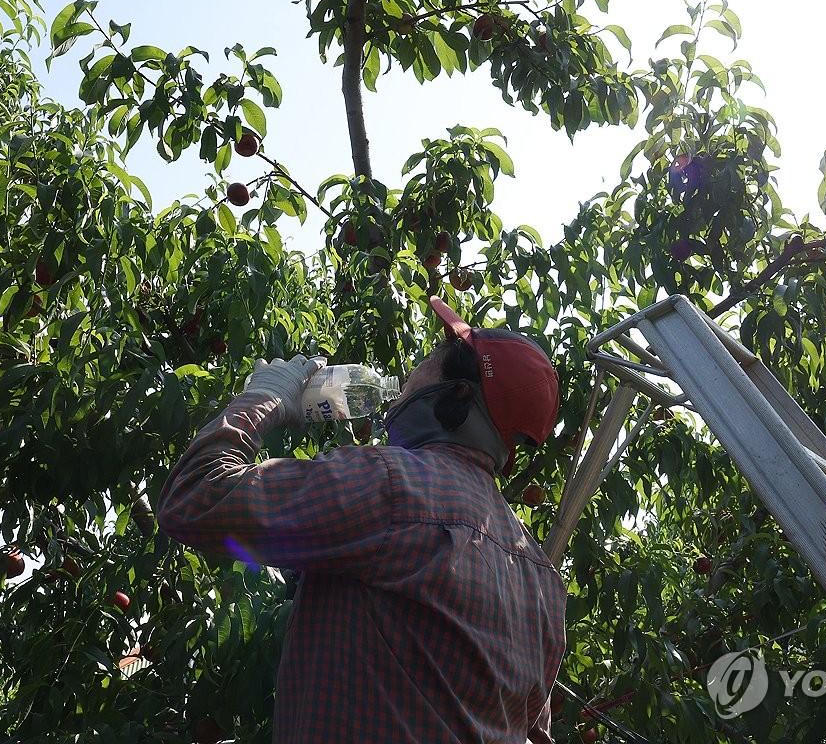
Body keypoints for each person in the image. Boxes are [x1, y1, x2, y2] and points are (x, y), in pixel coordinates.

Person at [157, 296, 566, 744]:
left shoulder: (391, 487)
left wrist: (264, 397)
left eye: (430, 359)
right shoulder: (543, 580)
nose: (412, 371)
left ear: (457, 397)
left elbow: (195, 496)